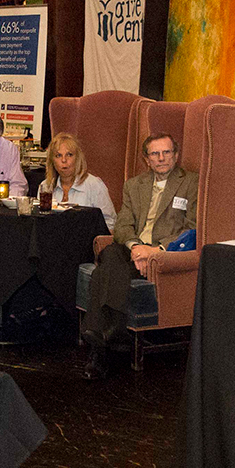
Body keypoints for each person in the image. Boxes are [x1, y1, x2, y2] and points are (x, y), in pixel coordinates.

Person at [81, 132, 196, 379]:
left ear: (175, 155)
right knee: (111, 253)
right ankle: (113, 334)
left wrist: (155, 251)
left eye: (166, 152)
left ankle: (98, 347)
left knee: (105, 270)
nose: (162, 158)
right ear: (147, 159)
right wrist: (135, 247)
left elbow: (192, 227)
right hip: (132, 248)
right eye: (155, 153)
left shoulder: (191, 183)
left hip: (161, 253)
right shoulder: (134, 185)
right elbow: (122, 225)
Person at [45, 132, 115, 226]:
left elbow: (110, 224)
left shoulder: (94, 185)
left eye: (69, 155)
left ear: (77, 158)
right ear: (52, 160)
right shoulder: (45, 186)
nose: (64, 160)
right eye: (58, 155)